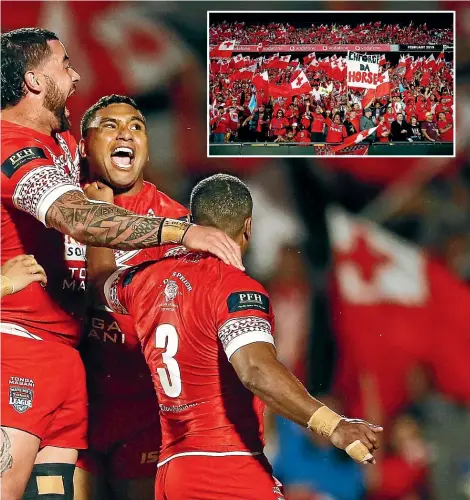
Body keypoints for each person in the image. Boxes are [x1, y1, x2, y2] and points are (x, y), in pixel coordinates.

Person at [0, 27, 241, 500]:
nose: (75, 75)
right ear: (32, 80)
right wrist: (182, 231)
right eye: (65, 65)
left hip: (71, 368)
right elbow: (79, 218)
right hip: (19, 346)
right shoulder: (12, 149)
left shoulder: (64, 145)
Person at [86, 173, 383, 500]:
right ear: (248, 227)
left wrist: (99, 208)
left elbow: (99, 280)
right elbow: (255, 370)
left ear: (192, 222)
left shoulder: (149, 281)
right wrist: (334, 426)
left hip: (173, 471)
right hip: (227, 468)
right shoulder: (235, 289)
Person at [71, 95, 189, 500]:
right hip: (73, 401)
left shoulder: (173, 226)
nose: (126, 133)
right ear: (84, 145)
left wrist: (98, 214)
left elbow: (105, 295)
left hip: (142, 408)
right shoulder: (58, 208)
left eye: (137, 126)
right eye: (110, 125)